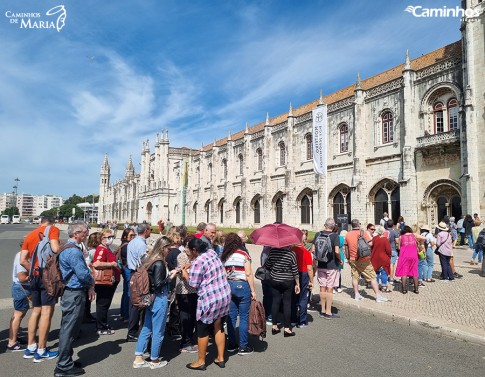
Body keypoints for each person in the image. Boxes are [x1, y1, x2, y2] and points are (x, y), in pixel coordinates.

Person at [182, 238, 231, 370]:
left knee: (202, 330)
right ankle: (220, 358)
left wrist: (185, 273)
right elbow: (206, 265)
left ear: (194, 250)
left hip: (209, 298)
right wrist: (191, 265)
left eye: (189, 250)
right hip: (223, 294)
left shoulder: (198, 261)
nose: (188, 253)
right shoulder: (211, 252)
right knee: (219, 326)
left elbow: (193, 283)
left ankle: (201, 361)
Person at [55, 221, 95, 377]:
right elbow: (82, 274)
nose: (87, 234)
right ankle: (63, 366)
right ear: (76, 233)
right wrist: (91, 280)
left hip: (71, 292)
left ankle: (66, 360)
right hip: (74, 293)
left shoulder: (68, 247)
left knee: (69, 328)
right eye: (85, 231)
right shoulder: (73, 251)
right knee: (69, 329)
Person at [132, 236, 179, 369]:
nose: (169, 251)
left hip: (149, 297)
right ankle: (155, 360)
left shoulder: (150, 260)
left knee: (147, 327)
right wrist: (171, 277)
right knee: (158, 330)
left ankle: (139, 357)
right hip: (159, 297)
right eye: (168, 249)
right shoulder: (159, 263)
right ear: (163, 248)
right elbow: (158, 284)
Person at [20, 215, 60, 362]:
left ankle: (30, 346)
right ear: (52, 222)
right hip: (46, 276)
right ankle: (42, 349)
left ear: (40, 222)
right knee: (47, 311)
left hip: (34, 275)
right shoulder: (53, 230)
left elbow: (23, 259)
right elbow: (55, 248)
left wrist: (32, 269)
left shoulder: (30, 235)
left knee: (36, 310)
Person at [221, 233, 257, 355]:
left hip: (229, 285)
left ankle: (232, 343)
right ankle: (243, 345)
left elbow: (223, 273)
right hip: (242, 285)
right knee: (243, 316)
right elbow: (248, 274)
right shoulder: (243, 254)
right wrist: (253, 290)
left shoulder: (225, 255)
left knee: (231, 316)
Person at [344, 219, 388, 303]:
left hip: (353, 259)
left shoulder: (348, 234)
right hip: (363, 259)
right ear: (358, 225)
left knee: (355, 277)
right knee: (372, 277)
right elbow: (370, 243)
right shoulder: (363, 233)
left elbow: (346, 248)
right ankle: (378, 296)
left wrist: (348, 259)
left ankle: (356, 294)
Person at [264, 243, 300, 336]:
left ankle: (274, 326)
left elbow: (267, 265)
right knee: (287, 303)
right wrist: (297, 283)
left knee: (275, 301)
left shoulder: (272, 251)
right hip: (287, 280)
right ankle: (287, 328)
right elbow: (295, 270)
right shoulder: (291, 254)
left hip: (275, 278)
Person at [92, 228, 121, 335]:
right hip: (104, 281)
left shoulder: (106, 248)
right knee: (102, 304)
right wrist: (112, 264)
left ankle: (103, 323)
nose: (111, 239)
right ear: (102, 238)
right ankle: (101, 327)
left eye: (111, 237)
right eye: (108, 237)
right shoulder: (102, 249)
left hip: (110, 280)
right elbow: (96, 263)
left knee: (105, 303)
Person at [126, 223, 151, 342]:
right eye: (149, 230)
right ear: (146, 231)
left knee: (134, 302)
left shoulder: (133, 241)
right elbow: (144, 262)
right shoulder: (141, 244)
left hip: (133, 273)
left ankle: (133, 330)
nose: (150, 232)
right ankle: (133, 332)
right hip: (139, 274)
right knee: (138, 303)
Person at [312, 218, 341, 319]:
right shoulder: (335, 236)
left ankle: (322, 310)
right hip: (332, 265)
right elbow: (337, 251)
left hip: (321, 265)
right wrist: (340, 260)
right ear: (333, 226)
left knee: (322, 286)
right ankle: (328, 312)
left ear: (325, 225)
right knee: (330, 287)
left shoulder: (317, 234)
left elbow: (312, 249)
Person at [7, 240, 31, 352]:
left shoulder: (20, 254)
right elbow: (22, 277)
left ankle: (14, 338)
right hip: (21, 288)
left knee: (18, 314)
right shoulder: (23, 257)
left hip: (19, 288)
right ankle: (12, 343)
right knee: (18, 314)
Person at [175, 236, 198, 353]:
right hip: (184, 290)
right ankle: (185, 343)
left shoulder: (195, 256)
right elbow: (183, 273)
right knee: (185, 317)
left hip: (194, 290)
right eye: (190, 246)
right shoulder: (182, 256)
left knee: (192, 317)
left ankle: (190, 340)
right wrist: (189, 267)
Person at [291, 230, 313, 327]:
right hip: (303, 274)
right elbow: (309, 268)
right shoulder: (306, 253)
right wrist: (312, 280)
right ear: (304, 241)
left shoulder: (291, 251)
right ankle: (302, 321)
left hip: (293, 274)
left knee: (294, 296)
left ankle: (293, 319)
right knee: (303, 297)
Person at [395, 225, 425, 294]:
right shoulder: (414, 236)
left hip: (404, 256)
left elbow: (399, 247)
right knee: (415, 272)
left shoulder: (401, 237)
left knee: (404, 271)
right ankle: (416, 289)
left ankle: (404, 289)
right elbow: (424, 238)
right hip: (414, 255)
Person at [118, 228, 135, 322]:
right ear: (125, 236)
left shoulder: (125, 245)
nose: (133, 237)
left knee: (126, 292)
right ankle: (126, 315)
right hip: (128, 270)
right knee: (128, 293)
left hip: (126, 269)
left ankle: (123, 313)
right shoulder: (126, 246)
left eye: (134, 235)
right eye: (131, 235)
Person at [370, 225, 392, 292]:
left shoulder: (374, 238)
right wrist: (389, 256)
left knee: (376, 272)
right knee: (384, 272)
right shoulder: (385, 240)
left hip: (375, 258)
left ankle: (376, 285)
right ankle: (384, 286)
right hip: (383, 258)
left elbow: (371, 248)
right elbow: (388, 250)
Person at [387, 219, 400, 284]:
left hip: (386, 250)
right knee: (392, 264)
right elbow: (397, 241)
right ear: (393, 225)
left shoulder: (385, 232)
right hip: (393, 250)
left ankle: (385, 277)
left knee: (387, 264)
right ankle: (391, 279)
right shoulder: (394, 232)